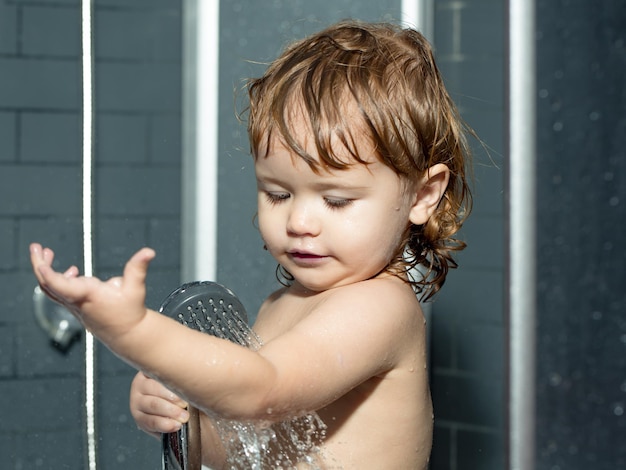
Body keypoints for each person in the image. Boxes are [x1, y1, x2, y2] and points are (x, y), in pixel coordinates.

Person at [30, 20, 472, 469]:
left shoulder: (381, 308)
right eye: (278, 194)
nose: (299, 221)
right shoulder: (279, 306)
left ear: (422, 195)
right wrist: (182, 413)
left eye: (336, 201)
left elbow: (262, 392)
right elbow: (241, 447)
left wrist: (133, 332)